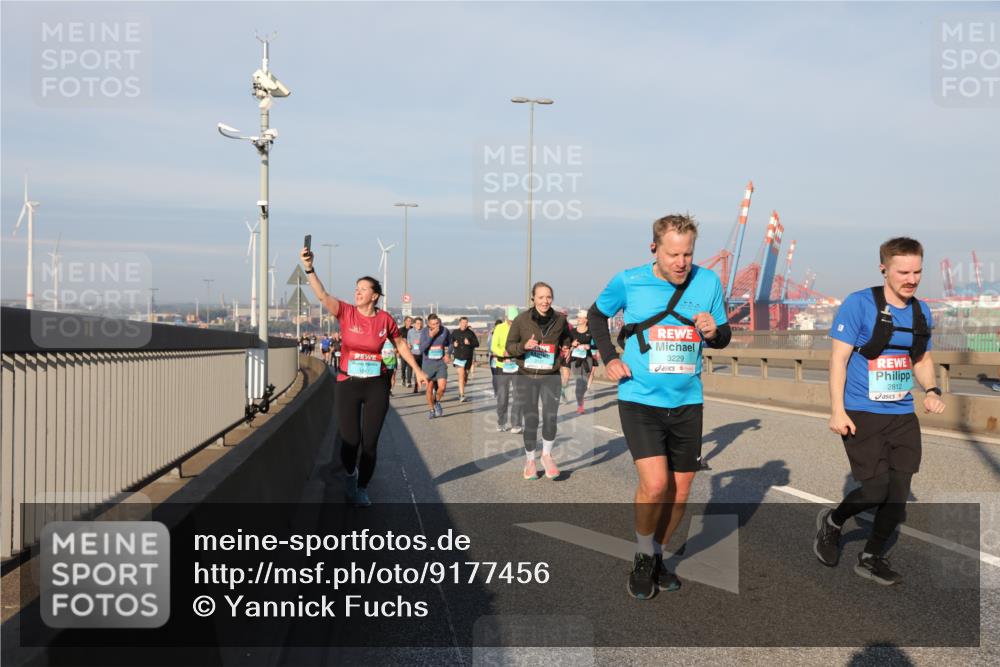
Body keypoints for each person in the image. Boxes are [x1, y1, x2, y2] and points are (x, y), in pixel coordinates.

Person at [589, 214, 731, 599]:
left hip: (687, 401)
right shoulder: (629, 280)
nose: (681, 262)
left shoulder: (709, 282)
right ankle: (641, 553)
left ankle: (658, 557)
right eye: (673, 254)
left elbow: (723, 336)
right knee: (656, 485)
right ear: (654, 248)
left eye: (687, 254)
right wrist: (609, 358)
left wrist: (714, 332)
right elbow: (596, 315)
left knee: (681, 491)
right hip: (639, 398)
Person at [814, 237, 945, 585]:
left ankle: (871, 556)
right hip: (862, 411)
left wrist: (931, 389)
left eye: (917, 271)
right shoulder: (859, 304)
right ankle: (833, 521)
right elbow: (838, 360)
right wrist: (837, 411)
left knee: (898, 496)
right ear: (884, 268)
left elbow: (921, 358)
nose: (911, 278)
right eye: (903, 271)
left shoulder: (921, 311)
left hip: (902, 414)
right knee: (875, 491)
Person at [301, 247, 428, 507]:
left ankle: (361, 488)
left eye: (363, 289)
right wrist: (309, 267)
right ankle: (350, 474)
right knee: (350, 441)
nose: (357, 292)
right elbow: (322, 295)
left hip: (376, 386)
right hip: (348, 384)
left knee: (369, 444)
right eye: (356, 288)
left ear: (375, 295)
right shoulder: (346, 312)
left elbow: (401, 345)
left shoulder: (385, 320)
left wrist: (417, 370)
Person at [505, 282, 572, 480]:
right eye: (541, 297)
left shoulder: (560, 319)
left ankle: (547, 456)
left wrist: (566, 348)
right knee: (531, 419)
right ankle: (530, 461)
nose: (545, 301)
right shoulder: (521, 320)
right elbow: (510, 346)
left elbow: (567, 338)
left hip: (551, 375)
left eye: (548, 297)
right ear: (533, 298)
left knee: (551, 416)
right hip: (526, 376)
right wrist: (524, 346)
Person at [491, 307, 523, 432]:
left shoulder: (521, 328)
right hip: (502, 366)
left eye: (514, 321)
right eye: (510, 321)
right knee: (503, 397)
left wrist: (516, 351)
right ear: (506, 318)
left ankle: (516, 424)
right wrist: (503, 353)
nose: (512, 323)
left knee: (518, 395)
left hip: (516, 366)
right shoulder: (499, 328)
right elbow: (494, 346)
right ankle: (501, 422)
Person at [419, 314, 453, 418]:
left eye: (437, 323)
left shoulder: (445, 331)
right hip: (428, 364)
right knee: (429, 389)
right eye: (433, 324)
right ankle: (431, 410)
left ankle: (437, 401)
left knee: (442, 387)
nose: (436, 326)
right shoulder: (424, 332)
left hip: (440, 363)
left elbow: (451, 343)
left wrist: (448, 354)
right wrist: (431, 336)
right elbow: (421, 349)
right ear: (429, 324)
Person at [567, 309, 599, 414]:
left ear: (586, 319)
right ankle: (580, 405)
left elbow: (598, 344)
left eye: (580, 317)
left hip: (587, 359)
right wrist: (572, 344)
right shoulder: (572, 332)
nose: (578, 319)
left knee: (584, 383)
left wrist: (589, 346)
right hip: (575, 359)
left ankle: (581, 396)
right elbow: (566, 344)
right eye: (578, 317)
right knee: (578, 382)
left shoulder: (591, 331)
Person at [451, 317, 480, 402]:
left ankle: (461, 389)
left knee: (465, 377)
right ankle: (462, 395)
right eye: (463, 322)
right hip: (459, 357)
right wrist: (454, 344)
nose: (464, 324)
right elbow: (450, 341)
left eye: (466, 322)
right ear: (459, 323)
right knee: (461, 375)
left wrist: (470, 343)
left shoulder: (470, 333)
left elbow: (477, 344)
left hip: (468, 358)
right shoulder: (455, 332)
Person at [407, 317, 425, 394]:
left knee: (422, 370)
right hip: (414, 353)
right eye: (418, 323)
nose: (419, 325)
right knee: (416, 371)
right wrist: (409, 345)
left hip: (423, 354)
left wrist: (420, 343)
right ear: (414, 324)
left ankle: (423, 384)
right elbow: (408, 341)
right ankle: (416, 386)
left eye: (421, 324)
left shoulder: (424, 331)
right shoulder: (410, 332)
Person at [399, 316, 414, 387]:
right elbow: (398, 340)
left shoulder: (413, 330)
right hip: (403, 351)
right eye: (408, 321)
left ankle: (409, 381)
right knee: (403, 367)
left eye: (410, 321)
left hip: (411, 351)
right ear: (405, 321)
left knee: (410, 366)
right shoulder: (401, 330)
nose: (409, 322)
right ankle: (403, 379)